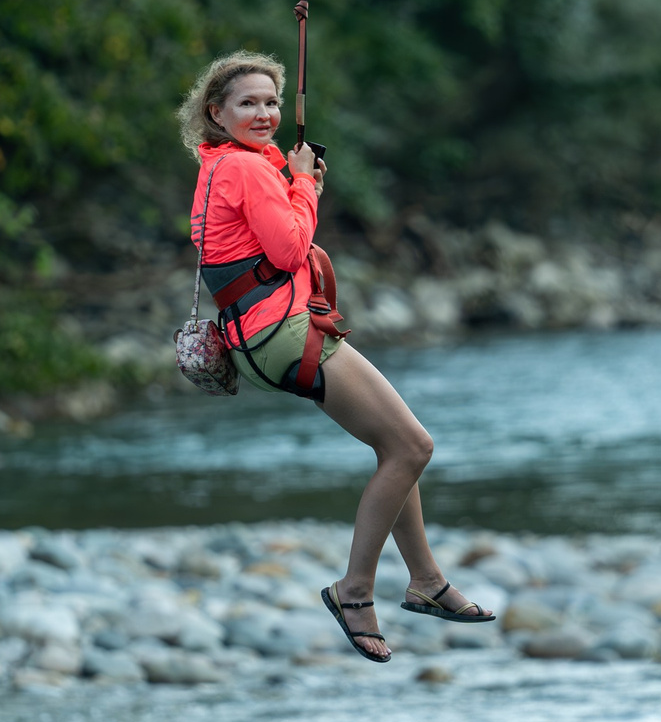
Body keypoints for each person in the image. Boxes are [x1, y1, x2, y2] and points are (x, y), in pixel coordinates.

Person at [178, 50, 493, 663]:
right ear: (215, 113)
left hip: (258, 339)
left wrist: (299, 177)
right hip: (283, 332)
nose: (266, 113)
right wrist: (301, 184)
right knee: (414, 447)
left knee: (396, 445)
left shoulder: (229, 166)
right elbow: (292, 246)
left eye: (273, 101)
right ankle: (355, 589)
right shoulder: (246, 171)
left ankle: (426, 580)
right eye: (248, 103)